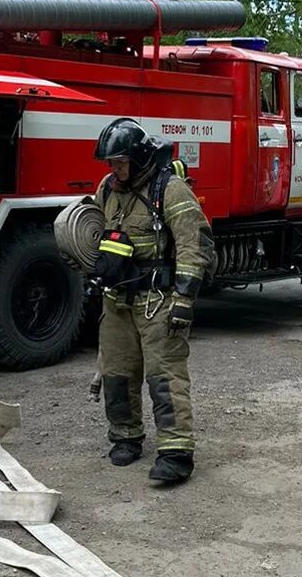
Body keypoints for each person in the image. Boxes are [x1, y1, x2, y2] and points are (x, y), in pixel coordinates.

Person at [92, 118, 214, 483]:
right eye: (110, 163)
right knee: (116, 374)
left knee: (165, 376)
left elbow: (193, 248)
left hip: (157, 299)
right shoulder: (108, 188)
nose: (114, 169)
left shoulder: (171, 190)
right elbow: (92, 227)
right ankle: (126, 437)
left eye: (120, 162)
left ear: (140, 158)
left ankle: (176, 452)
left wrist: (184, 301)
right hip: (117, 299)